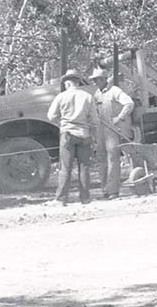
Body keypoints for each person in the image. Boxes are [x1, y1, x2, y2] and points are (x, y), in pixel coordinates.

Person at [47, 70, 97, 205]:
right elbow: (94, 120)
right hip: (84, 134)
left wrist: (61, 122)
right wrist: (92, 134)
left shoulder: (61, 97)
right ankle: (85, 198)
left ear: (67, 83)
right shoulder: (87, 97)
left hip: (68, 134)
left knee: (65, 168)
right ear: (78, 82)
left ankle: (61, 199)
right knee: (84, 167)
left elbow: (51, 116)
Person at [89, 65, 135, 199]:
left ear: (104, 79)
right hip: (100, 131)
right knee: (101, 159)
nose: (95, 82)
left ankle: (113, 191)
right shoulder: (97, 94)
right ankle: (105, 190)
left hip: (113, 130)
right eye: (94, 80)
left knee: (112, 158)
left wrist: (120, 118)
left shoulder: (115, 90)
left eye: (97, 80)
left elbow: (129, 103)